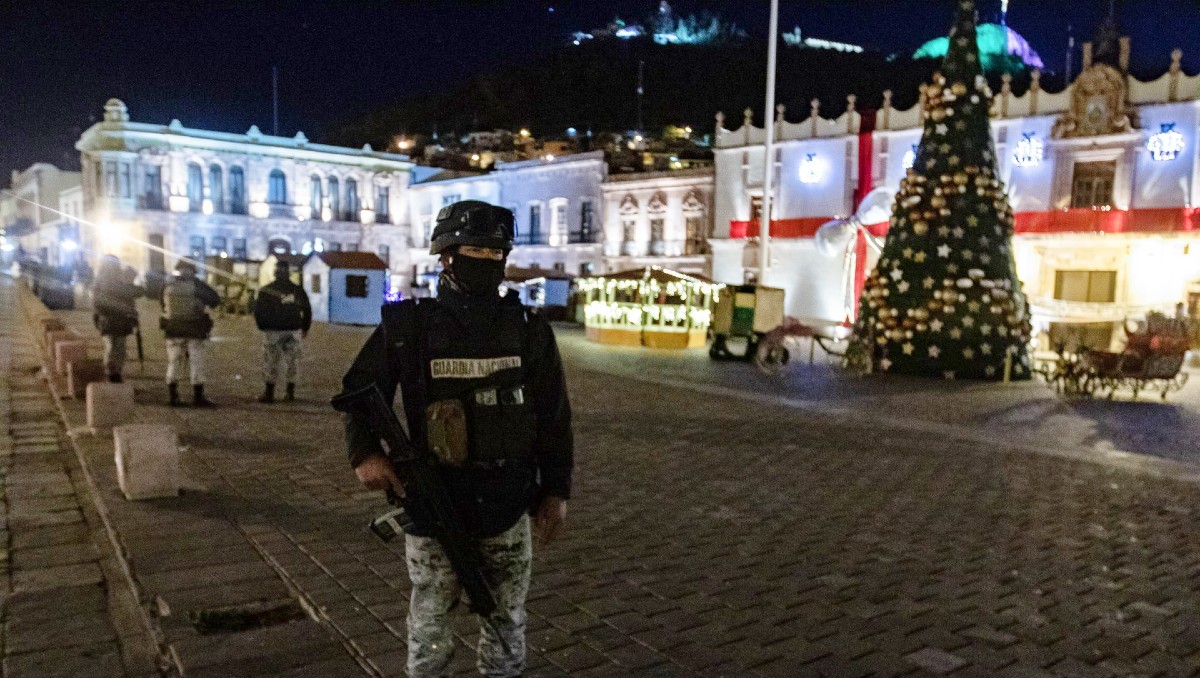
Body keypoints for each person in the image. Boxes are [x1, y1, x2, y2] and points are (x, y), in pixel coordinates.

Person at [341, 200, 573, 678]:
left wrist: (556, 489)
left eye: (495, 254)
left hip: (509, 504)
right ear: (445, 256)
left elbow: (553, 416)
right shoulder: (409, 327)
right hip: (434, 503)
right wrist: (365, 453)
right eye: (473, 251)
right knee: (430, 627)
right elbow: (359, 392)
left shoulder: (529, 329)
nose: (485, 263)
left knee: (507, 622)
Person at [160, 259, 220, 407]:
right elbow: (215, 300)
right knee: (196, 361)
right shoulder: (197, 284)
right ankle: (198, 397)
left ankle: (173, 395)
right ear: (193, 270)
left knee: (174, 361)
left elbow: (162, 304)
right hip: (194, 328)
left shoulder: (167, 284)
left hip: (173, 328)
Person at [253, 260, 312, 403]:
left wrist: (263, 326)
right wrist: (305, 327)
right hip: (293, 329)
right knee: (292, 362)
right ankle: (290, 392)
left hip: (273, 330)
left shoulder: (266, 290)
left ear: (275, 272)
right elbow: (307, 309)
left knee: (271, 361)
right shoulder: (297, 290)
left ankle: (269, 393)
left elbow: (258, 310)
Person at [92, 256, 143, 383]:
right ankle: (114, 373)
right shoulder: (115, 281)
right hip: (118, 320)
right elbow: (137, 292)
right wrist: (131, 280)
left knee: (112, 347)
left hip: (107, 320)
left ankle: (112, 372)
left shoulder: (99, 280)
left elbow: (96, 302)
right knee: (117, 348)